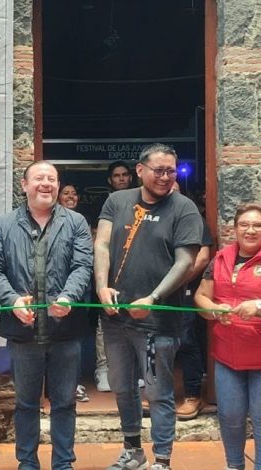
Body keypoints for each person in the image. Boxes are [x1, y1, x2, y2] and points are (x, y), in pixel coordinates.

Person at [94, 143, 203, 470]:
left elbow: (186, 261)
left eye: (171, 170)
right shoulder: (117, 200)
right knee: (123, 387)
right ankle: (133, 451)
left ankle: (163, 460)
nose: (166, 176)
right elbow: (101, 242)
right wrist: (101, 286)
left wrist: (153, 298)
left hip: (157, 323)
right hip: (115, 319)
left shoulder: (184, 208)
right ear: (140, 170)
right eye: (159, 170)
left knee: (158, 392)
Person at [0, 161, 93, 470]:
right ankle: (27, 462)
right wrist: (13, 301)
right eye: (39, 178)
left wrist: (69, 296)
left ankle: (63, 463)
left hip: (65, 330)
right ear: (24, 185)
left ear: (58, 186)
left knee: (64, 403)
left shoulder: (76, 223)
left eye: (52, 179)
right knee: (25, 404)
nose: (45, 184)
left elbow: (82, 265)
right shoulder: (5, 225)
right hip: (23, 333)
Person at [194, 203, 261, 470]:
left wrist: (259, 305)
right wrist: (211, 309)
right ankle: (234, 466)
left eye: (257, 225)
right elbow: (201, 296)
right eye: (244, 225)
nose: (250, 230)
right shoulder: (219, 259)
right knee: (229, 417)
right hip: (227, 355)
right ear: (234, 228)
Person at [94, 160, 133, 393]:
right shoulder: (105, 203)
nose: (121, 179)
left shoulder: (143, 202)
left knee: (134, 323)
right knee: (104, 325)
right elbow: (97, 239)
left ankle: (134, 372)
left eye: (124, 174)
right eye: (116, 175)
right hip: (106, 273)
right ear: (110, 180)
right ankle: (103, 370)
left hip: (133, 273)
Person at [174, 191, 213, 421]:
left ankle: (192, 395)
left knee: (187, 341)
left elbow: (203, 255)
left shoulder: (195, 219)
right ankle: (158, 394)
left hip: (185, 290)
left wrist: (176, 280)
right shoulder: (149, 217)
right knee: (155, 343)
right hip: (153, 294)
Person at [57, 183, 92, 403]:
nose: (71, 196)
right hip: (55, 291)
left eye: (74, 193)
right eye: (66, 193)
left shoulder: (81, 222)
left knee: (75, 338)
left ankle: (75, 384)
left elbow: (84, 260)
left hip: (80, 290)